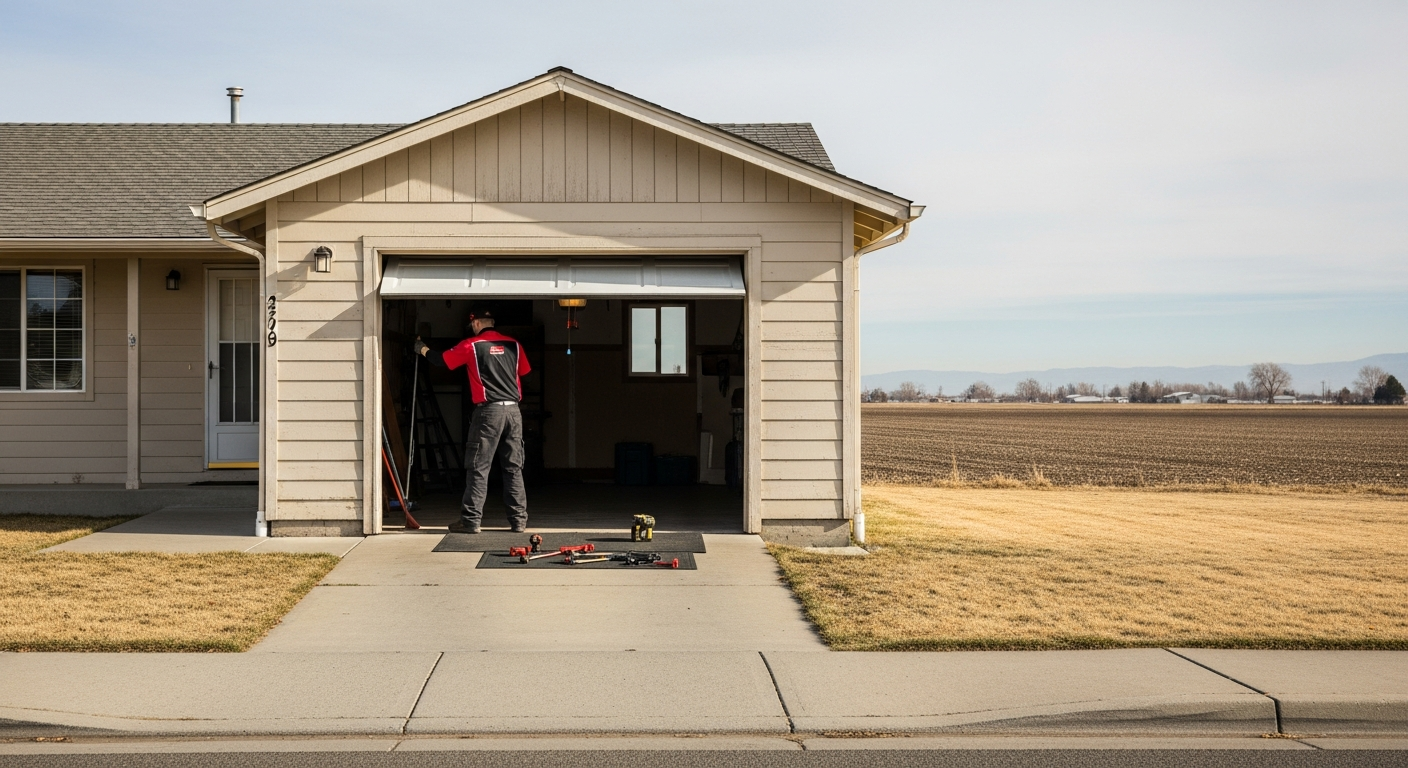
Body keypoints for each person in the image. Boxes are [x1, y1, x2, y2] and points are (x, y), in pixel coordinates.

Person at [413, 307, 530, 533]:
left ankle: (471, 521)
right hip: (514, 412)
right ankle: (518, 521)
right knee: (513, 468)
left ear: (476, 324)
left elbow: (442, 361)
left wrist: (423, 349)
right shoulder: (514, 345)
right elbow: (523, 371)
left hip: (488, 413)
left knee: (478, 467)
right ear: (492, 322)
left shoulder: (471, 345)